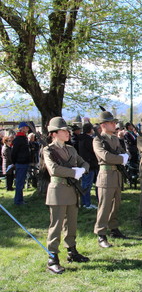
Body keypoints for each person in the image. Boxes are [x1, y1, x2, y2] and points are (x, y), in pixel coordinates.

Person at [43, 117, 89, 274]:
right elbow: (54, 169)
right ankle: (52, 258)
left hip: (72, 189)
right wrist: (73, 172)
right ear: (54, 133)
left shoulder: (71, 149)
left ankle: (72, 251)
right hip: (58, 189)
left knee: (72, 223)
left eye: (67, 130)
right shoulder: (48, 150)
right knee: (56, 226)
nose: (67, 133)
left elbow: (84, 162)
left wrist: (82, 169)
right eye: (63, 130)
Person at [93, 111, 129, 248]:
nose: (115, 124)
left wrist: (123, 156)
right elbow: (105, 156)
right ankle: (101, 233)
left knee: (116, 204)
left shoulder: (114, 139)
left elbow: (122, 150)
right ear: (103, 125)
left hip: (116, 175)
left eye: (114, 122)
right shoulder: (97, 140)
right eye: (111, 122)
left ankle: (113, 228)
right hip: (106, 175)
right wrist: (121, 159)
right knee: (104, 206)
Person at [78, 123, 98, 209]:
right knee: (87, 185)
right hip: (89, 165)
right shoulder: (88, 140)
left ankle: (83, 202)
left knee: (84, 184)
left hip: (84, 164)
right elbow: (93, 151)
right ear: (90, 130)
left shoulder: (81, 138)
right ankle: (87, 203)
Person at [11, 122, 31, 205]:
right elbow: (14, 152)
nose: (27, 129)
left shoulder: (23, 138)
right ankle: (18, 201)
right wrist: (14, 162)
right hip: (20, 163)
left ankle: (20, 199)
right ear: (22, 128)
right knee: (19, 183)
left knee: (21, 182)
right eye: (26, 127)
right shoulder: (18, 139)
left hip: (23, 162)